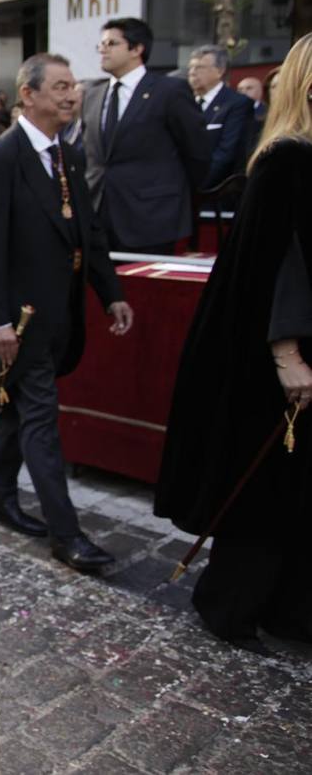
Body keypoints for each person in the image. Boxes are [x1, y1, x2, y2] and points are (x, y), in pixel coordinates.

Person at [156, 32, 312, 656]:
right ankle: (233, 605)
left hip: (290, 354)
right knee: (267, 489)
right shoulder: (286, 161)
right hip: (275, 362)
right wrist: (289, 355)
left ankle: (288, 607)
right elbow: (275, 269)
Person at [0, 53, 134, 573]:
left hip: (60, 319)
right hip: (18, 322)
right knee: (41, 419)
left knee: (18, 410)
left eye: (73, 86)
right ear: (28, 95)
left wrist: (111, 293)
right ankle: (68, 535)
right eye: (59, 86)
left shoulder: (69, 155)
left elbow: (89, 231)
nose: (71, 94)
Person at [82, 17, 208, 253]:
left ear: (137, 49)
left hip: (151, 218)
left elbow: (197, 151)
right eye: (101, 44)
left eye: (111, 43)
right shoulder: (92, 95)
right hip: (98, 216)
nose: (103, 50)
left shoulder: (169, 91)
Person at [187, 44, 254, 189]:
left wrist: (196, 185)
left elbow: (226, 152)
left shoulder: (237, 103)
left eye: (199, 67)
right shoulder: (186, 102)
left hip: (217, 192)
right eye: (191, 67)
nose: (192, 72)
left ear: (220, 71)